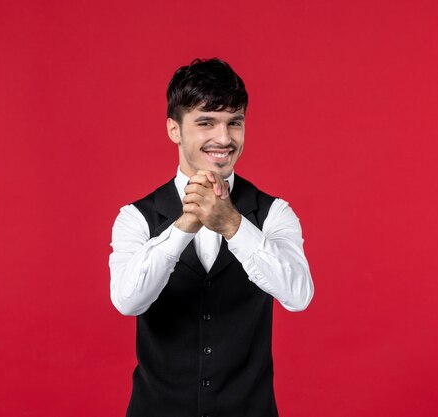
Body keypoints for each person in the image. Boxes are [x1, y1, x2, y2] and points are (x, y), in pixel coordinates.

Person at [109, 58, 314, 417]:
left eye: (234, 123)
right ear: (175, 129)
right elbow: (128, 301)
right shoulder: (136, 217)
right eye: (206, 123)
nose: (224, 138)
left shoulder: (274, 213)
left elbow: (298, 296)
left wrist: (233, 225)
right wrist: (184, 226)